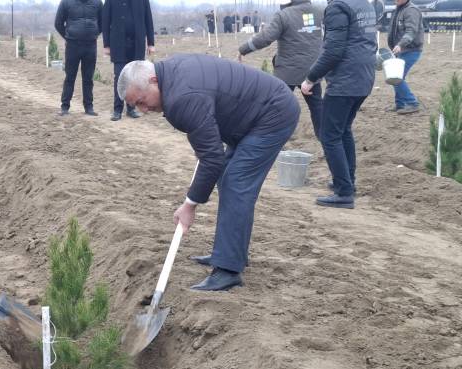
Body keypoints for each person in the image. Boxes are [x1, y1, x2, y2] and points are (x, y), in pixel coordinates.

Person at [118, 56, 299, 291]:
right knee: (229, 178)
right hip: (249, 113)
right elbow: (209, 145)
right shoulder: (172, 77)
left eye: (142, 101)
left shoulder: (182, 98)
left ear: (153, 80)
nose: (143, 110)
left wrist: (189, 205)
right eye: (136, 106)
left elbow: (212, 158)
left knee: (236, 181)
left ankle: (228, 270)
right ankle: (230, 253)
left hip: (271, 113)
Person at [301, 0, 376, 209]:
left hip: (345, 81)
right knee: (343, 131)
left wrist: (311, 78)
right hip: (364, 77)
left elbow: (333, 50)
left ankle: (344, 192)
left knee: (329, 135)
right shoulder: (365, 5)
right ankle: (347, 183)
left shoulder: (337, 7)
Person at [238, 0, 323, 137]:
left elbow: (266, 37)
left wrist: (244, 49)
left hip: (287, 73)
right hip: (313, 71)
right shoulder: (319, 11)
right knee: (318, 108)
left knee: (277, 107)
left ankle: (273, 136)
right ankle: (326, 140)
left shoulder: (283, 15)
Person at [102, 0, 155, 121]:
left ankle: (131, 108)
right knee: (119, 76)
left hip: (137, 44)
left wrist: (151, 43)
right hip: (118, 44)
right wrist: (106, 45)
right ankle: (117, 110)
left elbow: (148, 20)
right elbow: (105, 21)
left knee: (135, 77)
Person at [54, 0, 102, 116]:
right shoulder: (66, 2)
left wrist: (94, 33)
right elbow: (58, 23)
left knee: (88, 78)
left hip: (90, 45)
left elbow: (103, 22)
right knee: (70, 77)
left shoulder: (97, 3)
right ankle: (65, 107)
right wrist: (68, 35)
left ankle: (89, 107)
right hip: (72, 45)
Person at [387, 0, 423, 114]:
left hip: (411, 50)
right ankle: (400, 104)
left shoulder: (411, 10)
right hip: (400, 50)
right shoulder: (398, 9)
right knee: (396, 77)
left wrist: (400, 44)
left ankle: (413, 103)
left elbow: (411, 31)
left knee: (396, 77)